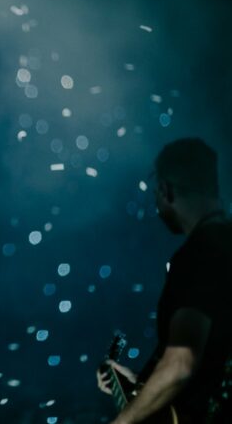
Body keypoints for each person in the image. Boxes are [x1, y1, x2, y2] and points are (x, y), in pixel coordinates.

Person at [96, 138, 231, 423]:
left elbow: (180, 364)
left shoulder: (199, 253)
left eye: (156, 191)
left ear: (166, 190)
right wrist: (140, 384)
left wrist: (122, 421)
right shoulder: (224, 243)